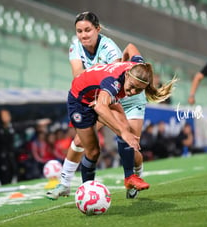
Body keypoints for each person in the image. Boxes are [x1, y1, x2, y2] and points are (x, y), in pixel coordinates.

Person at [47, 12, 151, 200]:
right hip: (103, 95)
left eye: (88, 30)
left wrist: (139, 67)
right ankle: (65, 184)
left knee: (132, 144)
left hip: (125, 96)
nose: (83, 35)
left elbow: (122, 72)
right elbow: (79, 77)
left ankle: (134, 179)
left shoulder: (109, 49)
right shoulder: (76, 47)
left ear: (98, 29)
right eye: (79, 31)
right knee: (85, 142)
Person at [66, 54, 176, 192]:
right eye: (132, 87)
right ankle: (75, 186)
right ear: (128, 76)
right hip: (80, 99)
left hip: (100, 95)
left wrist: (122, 59)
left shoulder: (137, 68)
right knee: (92, 149)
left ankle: (129, 178)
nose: (132, 92)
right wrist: (123, 132)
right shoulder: (114, 82)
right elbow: (101, 107)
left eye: (139, 90)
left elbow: (131, 49)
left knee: (125, 129)